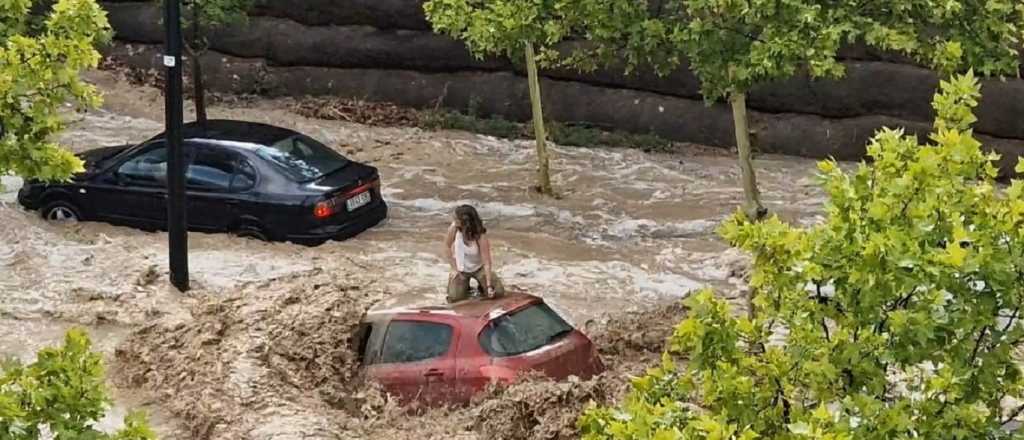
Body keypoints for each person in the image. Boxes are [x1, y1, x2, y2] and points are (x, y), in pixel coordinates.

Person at [444, 204, 505, 302]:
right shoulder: (454, 228)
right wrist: (454, 268)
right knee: (454, 298)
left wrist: (489, 286)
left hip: (478, 268)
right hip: (461, 269)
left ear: (465, 222)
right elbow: (447, 247)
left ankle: (482, 287)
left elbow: (486, 262)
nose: (454, 220)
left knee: (498, 293)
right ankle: (466, 288)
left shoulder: (480, 235)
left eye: (456, 219)